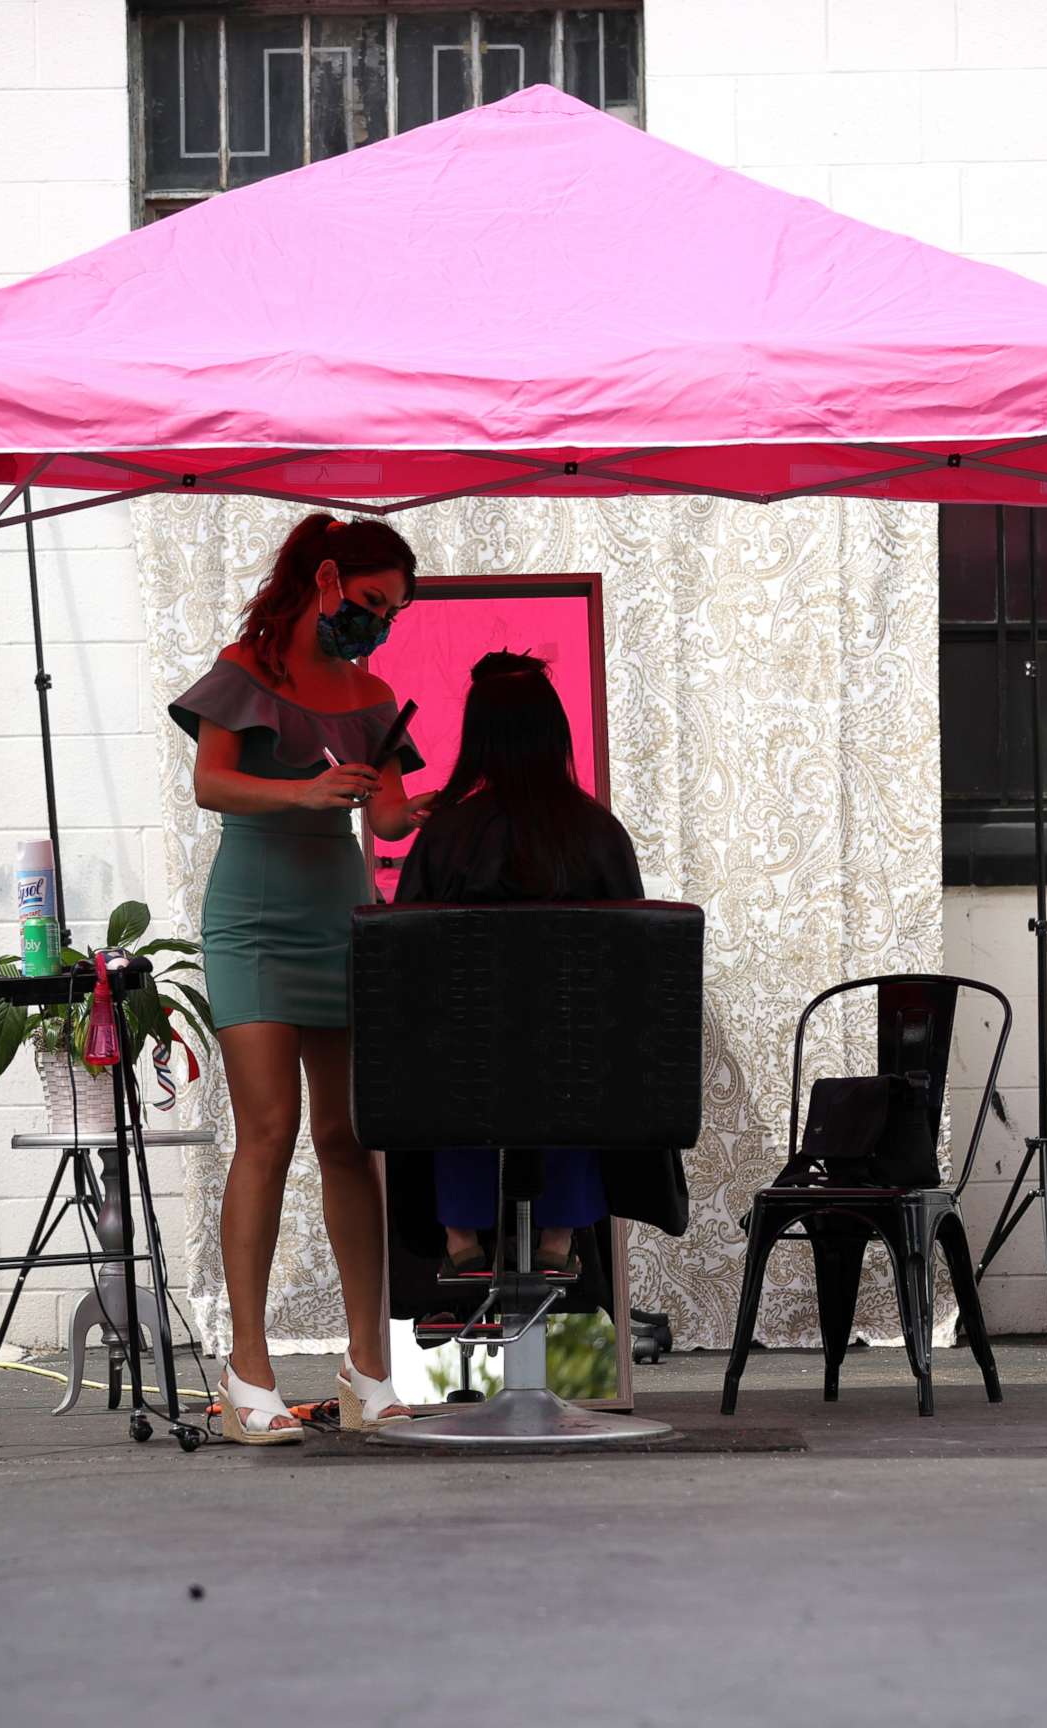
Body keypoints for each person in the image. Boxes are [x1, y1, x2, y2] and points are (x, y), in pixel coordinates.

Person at [169, 512, 428, 1443]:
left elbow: (389, 818)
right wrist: (308, 793)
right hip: (252, 920)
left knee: (350, 1138)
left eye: (392, 612)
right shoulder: (244, 671)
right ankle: (249, 1371)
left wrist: (420, 806)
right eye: (369, 603)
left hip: (339, 918)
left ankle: (368, 1369)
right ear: (324, 581)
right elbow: (212, 784)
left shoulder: (372, 692)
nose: (378, 624)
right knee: (269, 1131)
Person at [388, 652, 685, 1281]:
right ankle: (559, 1238)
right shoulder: (599, 834)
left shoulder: (445, 837)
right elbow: (637, 970)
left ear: (480, 739)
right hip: (572, 1078)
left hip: (464, 1078)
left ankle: (460, 1234)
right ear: (556, 734)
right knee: (577, 1060)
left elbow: (402, 965)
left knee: (453, 1065)